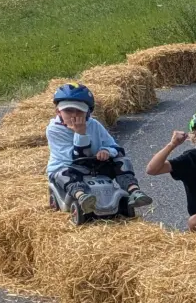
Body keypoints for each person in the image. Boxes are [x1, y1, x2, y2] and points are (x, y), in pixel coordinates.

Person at [45, 83, 152, 215]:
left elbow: (114, 146)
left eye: (79, 111)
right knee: (63, 173)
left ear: (88, 112)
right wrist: (80, 133)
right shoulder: (54, 130)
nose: (74, 115)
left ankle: (134, 190)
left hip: (94, 164)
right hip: (69, 166)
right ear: (58, 111)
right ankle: (81, 195)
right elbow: (74, 157)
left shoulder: (94, 124)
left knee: (122, 161)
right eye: (68, 111)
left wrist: (107, 151)